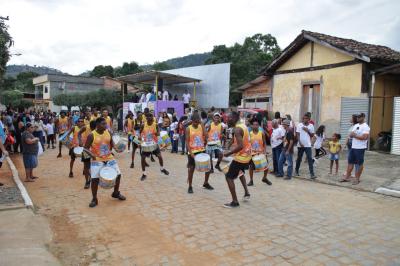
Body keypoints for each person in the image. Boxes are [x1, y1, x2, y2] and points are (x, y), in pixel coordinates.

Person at [84, 117, 126, 208]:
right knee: (94, 179)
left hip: (109, 157)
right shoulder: (92, 135)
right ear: (97, 125)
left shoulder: (108, 132)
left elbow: (111, 143)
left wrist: (115, 148)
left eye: (105, 123)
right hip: (97, 159)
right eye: (103, 124)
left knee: (118, 175)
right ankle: (94, 198)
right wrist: (92, 155)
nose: (105, 125)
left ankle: (115, 192)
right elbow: (85, 148)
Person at [223, 111, 252, 208]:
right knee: (239, 172)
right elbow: (240, 139)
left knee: (229, 177)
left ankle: (235, 202)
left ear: (234, 118)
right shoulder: (242, 126)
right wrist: (231, 142)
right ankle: (246, 192)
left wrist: (228, 153)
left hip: (241, 157)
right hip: (247, 155)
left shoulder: (237, 129)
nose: (227, 120)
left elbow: (240, 145)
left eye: (229, 118)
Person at [185, 112, 214, 193]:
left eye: (198, 121)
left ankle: (206, 183)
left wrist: (202, 124)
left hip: (201, 150)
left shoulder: (201, 126)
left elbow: (207, 136)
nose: (197, 123)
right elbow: (187, 142)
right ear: (192, 121)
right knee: (191, 169)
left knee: (208, 167)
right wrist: (191, 153)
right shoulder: (188, 128)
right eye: (196, 122)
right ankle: (190, 186)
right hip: (193, 151)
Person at [341, 113, 370, 185]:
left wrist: (355, 135)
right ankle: (347, 177)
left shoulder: (366, 127)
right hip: (353, 147)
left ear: (363, 117)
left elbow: (365, 137)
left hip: (360, 148)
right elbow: (351, 134)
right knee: (350, 162)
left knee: (359, 163)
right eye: (357, 117)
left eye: (359, 117)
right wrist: (353, 135)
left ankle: (357, 179)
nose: (358, 118)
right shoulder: (356, 125)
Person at [139, 113, 169, 181]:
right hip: (146, 144)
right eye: (149, 118)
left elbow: (158, 133)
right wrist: (139, 138)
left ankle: (162, 169)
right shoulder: (143, 125)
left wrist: (156, 133)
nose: (151, 119)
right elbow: (140, 132)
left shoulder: (155, 124)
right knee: (143, 158)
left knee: (159, 156)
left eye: (151, 118)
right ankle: (144, 174)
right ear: (146, 119)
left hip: (154, 144)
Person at [248, 118, 271, 186]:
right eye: (254, 125)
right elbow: (248, 144)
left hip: (261, 152)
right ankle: (251, 181)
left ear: (258, 126)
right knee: (251, 167)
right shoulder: (250, 134)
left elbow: (264, 143)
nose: (255, 126)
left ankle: (264, 178)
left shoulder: (261, 133)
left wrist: (265, 151)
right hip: (253, 153)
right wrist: (249, 152)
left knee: (266, 166)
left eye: (257, 125)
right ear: (252, 126)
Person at [295, 113, 316, 179]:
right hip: (300, 145)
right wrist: (300, 142)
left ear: (309, 119)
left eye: (306, 118)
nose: (305, 119)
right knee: (299, 158)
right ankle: (296, 170)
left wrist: (307, 131)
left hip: (308, 145)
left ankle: (312, 174)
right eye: (304, 118)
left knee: (309, 158)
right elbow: (297, 134)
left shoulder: (311, 126)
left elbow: (312, 135)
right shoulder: (299, 125)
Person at [79, 120, 96, 189]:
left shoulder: (100, 129)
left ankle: (95, 179)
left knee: (96, 166)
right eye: (93, 128)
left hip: (95, 150)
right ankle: (87, 181)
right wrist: (80, 141)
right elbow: (79, 133)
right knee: (86, 166)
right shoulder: (85, 127)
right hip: (86, 150)